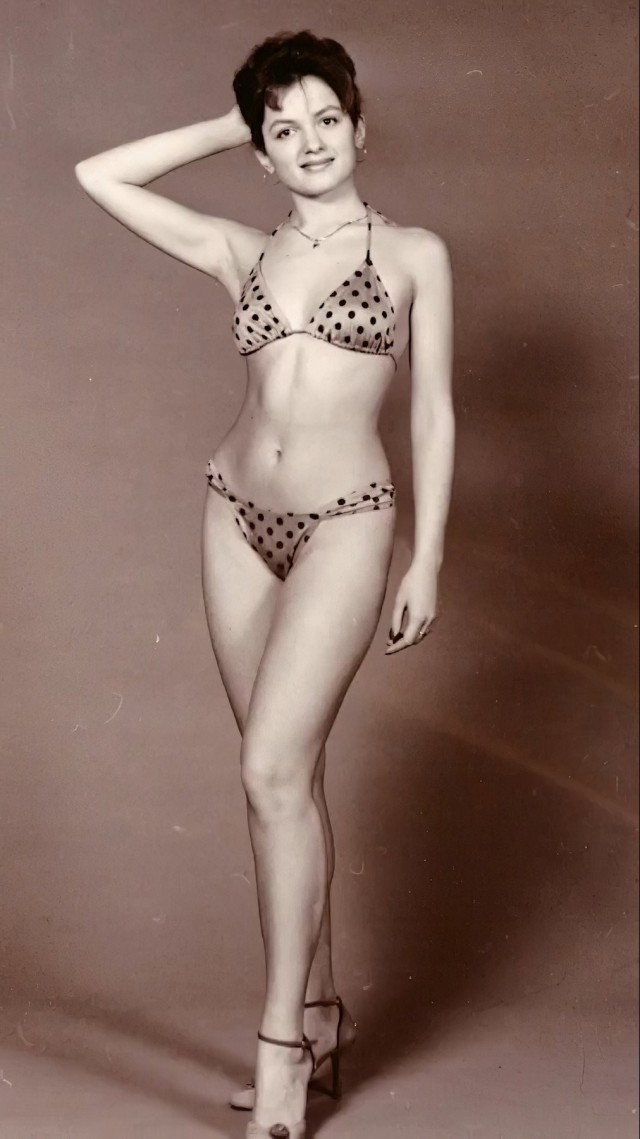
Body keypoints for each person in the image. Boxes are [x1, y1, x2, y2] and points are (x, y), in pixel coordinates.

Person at [75, 28, 455, 1139]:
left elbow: (434, 411)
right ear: (260, 151)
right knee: (280, 780)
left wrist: (428, 553)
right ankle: (322, 1011)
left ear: (360, 127)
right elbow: (99, 175)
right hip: (234, 516)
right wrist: (232, 120)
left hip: (347, 521)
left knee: (271, 768)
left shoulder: (415, 254)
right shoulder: (242, 252)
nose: (309, 143)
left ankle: (282, 1046)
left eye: (326, 119)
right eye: (282, 130)